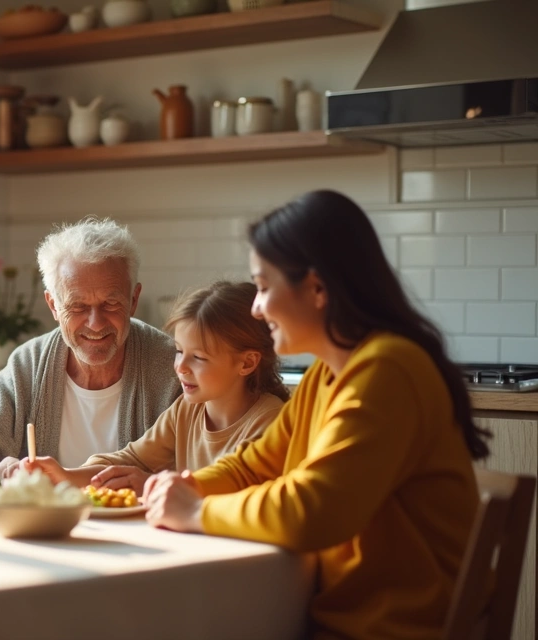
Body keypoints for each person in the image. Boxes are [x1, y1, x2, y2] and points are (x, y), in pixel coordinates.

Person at [143, 190, 490, 639]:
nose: (256, 307)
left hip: (391, 629)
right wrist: (189, 485)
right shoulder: (325, 375)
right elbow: (255, 465)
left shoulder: (387, 370)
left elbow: (312, 510)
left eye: (264, 287)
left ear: (318, 289)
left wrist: (197, 510)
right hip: (332, 617)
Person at [0, 217, 180, 483]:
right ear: (53, 305)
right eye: (77, 306)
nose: (95, 323)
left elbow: (206, 466)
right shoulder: (30, 363)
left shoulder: (174, 366)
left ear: (133, 300)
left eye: (111, 303)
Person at [24, 281, 288, 495]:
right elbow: (129, 460)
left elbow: (243, 497)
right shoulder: (186, 411)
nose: (180, 367)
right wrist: (65, 475)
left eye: (198, 357)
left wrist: (150, 484)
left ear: (247, 362)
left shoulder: (271, 421)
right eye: (179, 351)